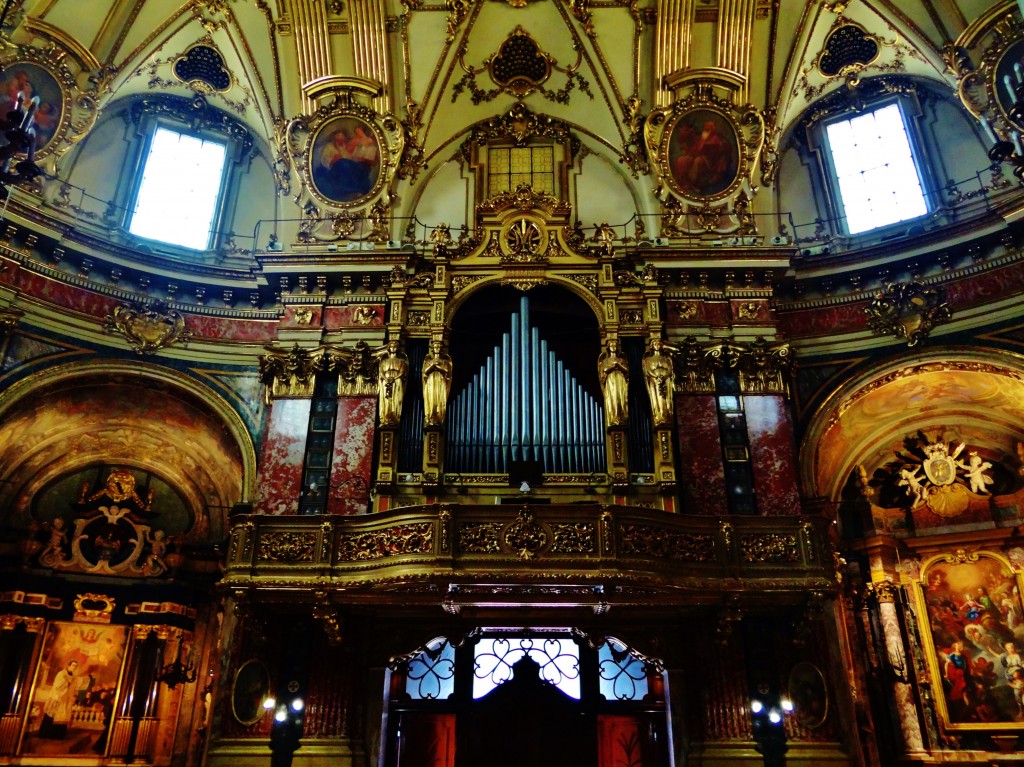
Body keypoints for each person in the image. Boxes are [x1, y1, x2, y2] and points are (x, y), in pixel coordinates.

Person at [672, 118, 733, 195]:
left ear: (712, 130)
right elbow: (696, 149)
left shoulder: (716, 139)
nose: (705, 132)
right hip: (703, 159)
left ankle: (694, 184)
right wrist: (687, 150)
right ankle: (687, 184)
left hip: (712, 162)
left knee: (698, 161)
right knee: (682, 160)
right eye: (705, 129)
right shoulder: (701, 139)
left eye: (708, 130)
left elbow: (716, 152)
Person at [38, 660, 79, 739]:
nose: (74, 667)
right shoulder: (61, 674)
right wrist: (67, 683)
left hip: (66, 699)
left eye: (76, 666)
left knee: (62, 717)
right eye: (73, 665)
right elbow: (57, 685)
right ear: (69, 665)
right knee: (51, 715)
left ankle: (58, 735)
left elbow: (73, 688)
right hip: (57, 697)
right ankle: (46, 734)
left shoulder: (73, 676)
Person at [642, 338, 675, 427]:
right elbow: (648, 370)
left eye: (658, 343)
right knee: (657, 398)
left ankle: (666, 416)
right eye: (655, 343)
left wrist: (664, 376)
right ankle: (659, 417)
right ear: (652, 346)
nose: (657, 345)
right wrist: (657, 376)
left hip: (665, 380)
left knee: (665, 399)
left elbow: (670, 369)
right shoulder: (648, 359)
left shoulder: (666, 358)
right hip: (655, 380)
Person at [375, 340, 408, 427]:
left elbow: (402, 372)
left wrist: (394, 378)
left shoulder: (401, 361)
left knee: (395, 399)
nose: (393, 348)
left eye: (395, 346)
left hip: (396, 381)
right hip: (386, 381)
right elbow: (381, 372)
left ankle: (393, 418)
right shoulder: (384, 362)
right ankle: (386, 418)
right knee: (386, 399)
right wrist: (386, 378)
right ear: (389, 348)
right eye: (391, 346)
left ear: (398, 348)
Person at [598, 338, 629, 427]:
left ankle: (621, 418)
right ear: (608, 347)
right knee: (613, 398)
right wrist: (613, 367)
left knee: (620, 398)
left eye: (615, 345)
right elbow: (604, 370)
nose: (613, 347)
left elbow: (626, 370)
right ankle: (614, 419)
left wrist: (618, 365)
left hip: (620, 380)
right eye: (611, 345)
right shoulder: (605, 361)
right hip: (611, 381)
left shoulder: (621, 360)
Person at [421, 339, 453, 427]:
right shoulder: (428, 361)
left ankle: (438, 418)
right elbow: (425, 372)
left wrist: (436, 367)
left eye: (439, 347)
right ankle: (431, 418)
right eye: (435, 347)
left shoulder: (445, 362)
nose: (437, 348)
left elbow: (446, 370)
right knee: (431, 399)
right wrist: (432, 366)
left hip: (440, 381)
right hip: (431, 381)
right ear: (432, 349)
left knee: (439, 399)